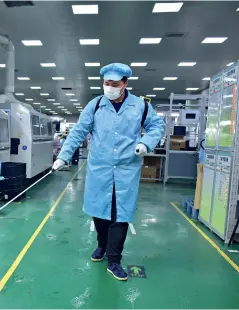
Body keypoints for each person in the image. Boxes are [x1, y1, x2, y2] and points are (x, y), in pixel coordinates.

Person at [52, 63, 164, 281]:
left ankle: (114, 261)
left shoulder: (140, 106)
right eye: (106, 83)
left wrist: (146, 143)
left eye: (115, 84)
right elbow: (78, 132)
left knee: (120, 215)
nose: (110, 88)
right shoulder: (95, 106)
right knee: (100, 213)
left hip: (126, 169)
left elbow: (157, 127)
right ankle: (101, 246)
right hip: (99, 170)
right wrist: (63, 156)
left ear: (125, 84)